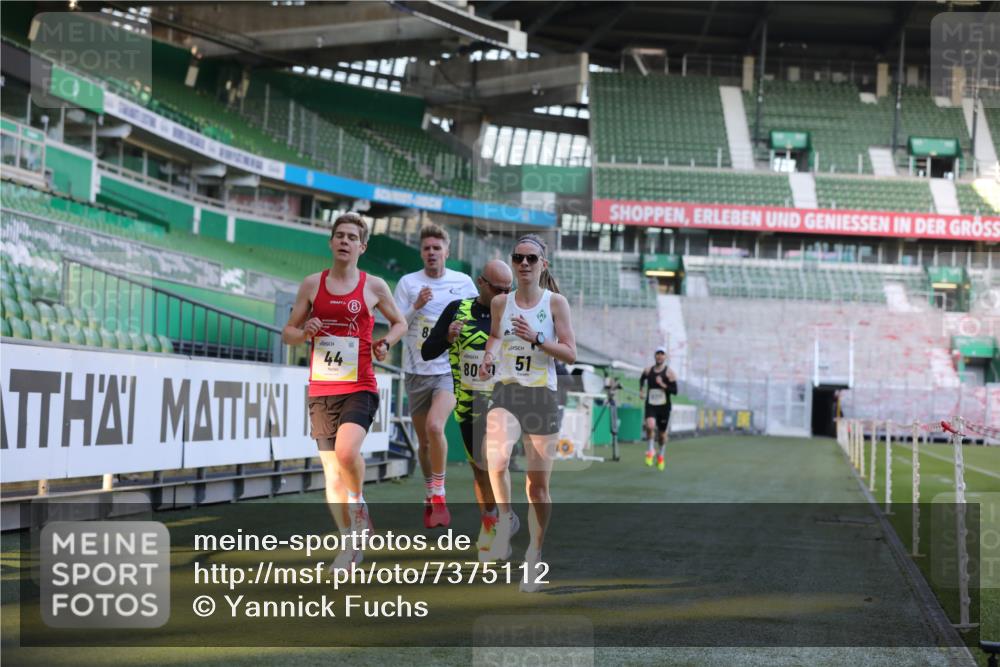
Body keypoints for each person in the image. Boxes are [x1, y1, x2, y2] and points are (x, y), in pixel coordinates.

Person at [282, 212, 407, 569]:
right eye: (339, 235)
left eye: (352, 237)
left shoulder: (374, 286)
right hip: (322, 388)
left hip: (360, 385)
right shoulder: (311, 284)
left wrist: (387, 343)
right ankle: (349, 545)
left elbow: (400, 322)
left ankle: (358, 502)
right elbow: (287, 333)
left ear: (362, 247)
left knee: (347, 452)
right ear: (331, 242)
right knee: (330, 470)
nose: (345, 241)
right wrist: (305, 330)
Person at [478, 234, 576, 592]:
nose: (524, 264)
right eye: (518, 257)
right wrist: (489, 357)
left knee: (537, 488)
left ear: (542, 265)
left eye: (531, 259)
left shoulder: (555, 304)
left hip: (541, 395)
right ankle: (505, 522)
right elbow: (494, 337)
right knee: (497, 459)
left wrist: (537, 339)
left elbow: (569, 353)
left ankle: (535, 553)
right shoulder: (501, 303)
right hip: (506, 390)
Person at [421, 259, 514, 560]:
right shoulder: (457, 310)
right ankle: (490, 521)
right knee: (480, 469)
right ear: (482, 283)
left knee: (496, 463)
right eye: (499, 289)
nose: (505, 294)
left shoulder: (512, 314)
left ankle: (502, 525)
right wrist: (447, 337)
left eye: (509, 289)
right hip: (468, 402)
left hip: (502, 402)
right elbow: (428, 351)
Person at [393, 223, 477, 528]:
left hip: (448, 369)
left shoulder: (464, 282)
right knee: (424, 443)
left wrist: (460, 330)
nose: (432, 253)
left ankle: (440, 494)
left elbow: (478, 318)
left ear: (447, 252)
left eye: (437, 248)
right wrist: (417, 305)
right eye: (427, 248)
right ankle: (430, 494)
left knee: (434, 426)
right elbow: (396, 324)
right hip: (416, 371)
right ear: (421, 252)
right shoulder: (407, 283)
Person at [640, 347, 678, 471]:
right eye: (658, 354)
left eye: (662, 354)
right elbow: (642, 379)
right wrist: (641, 390)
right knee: (650, 425)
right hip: (651, 404)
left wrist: (663, 385)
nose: (660, 356)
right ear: (655, 356)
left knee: (662, 435)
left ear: (665, 357)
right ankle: (650, 450)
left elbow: (675, 391)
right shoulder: (648, 370)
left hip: (664, 407)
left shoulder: (669, 373)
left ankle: (661, 455)